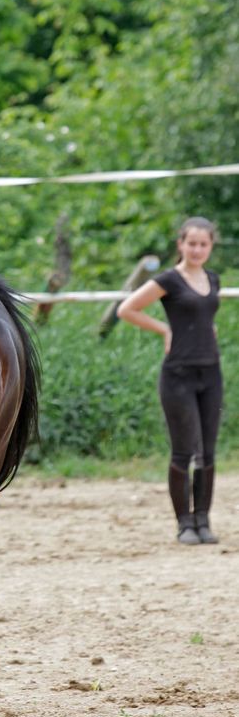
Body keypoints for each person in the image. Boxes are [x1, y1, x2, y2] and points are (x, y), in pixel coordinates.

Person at [116, 217, 223, 545]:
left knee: (207, 451)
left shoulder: (213, 279)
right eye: (191, 243)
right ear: (181, 244)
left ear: (210, 247)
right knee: (183, 450)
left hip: (211, 372)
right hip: (178, 375)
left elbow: (204, 318)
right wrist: (165, 329)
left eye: (203, 244)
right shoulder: (170, 280)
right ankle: (184, 524)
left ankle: (203, 520)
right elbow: (127, 308)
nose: (197, 249)